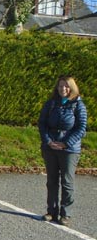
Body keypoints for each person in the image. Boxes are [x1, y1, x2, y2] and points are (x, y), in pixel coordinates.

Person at [38, 76, 87, 226]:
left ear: (72, 88)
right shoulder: (51, 103)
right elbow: (42, 123)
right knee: (52, 180)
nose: (63, 89)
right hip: (50, 147)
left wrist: (66, 143)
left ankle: (66, 214)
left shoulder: (78, 105)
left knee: (67, 181)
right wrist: (48, 141)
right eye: (60, 86)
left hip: (69, 150)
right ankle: (51, 211)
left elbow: (81, 128)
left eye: (66, 87)